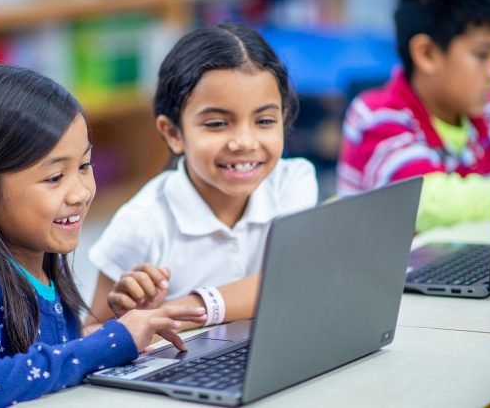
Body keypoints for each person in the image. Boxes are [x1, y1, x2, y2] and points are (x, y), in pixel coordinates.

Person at [0, 64, 205, 407]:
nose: (80, 192)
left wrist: (118, 327)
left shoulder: (42, 263)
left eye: (84, 166)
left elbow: (46, 362)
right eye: (54, 178)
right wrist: (109, 342)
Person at [84, 23, 318, 332]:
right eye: (218, 124)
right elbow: (89, 334)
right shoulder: (141, 225)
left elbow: (291, 281)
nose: (245, 142)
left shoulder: (293, 182)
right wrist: (129, 317)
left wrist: (172, 312)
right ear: (173, 133)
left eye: (264, 120)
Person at [337, 0, 490, 232]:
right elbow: (425, 202)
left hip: (462, 262)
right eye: (482, 55)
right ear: (427, 53)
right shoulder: (376, 117)